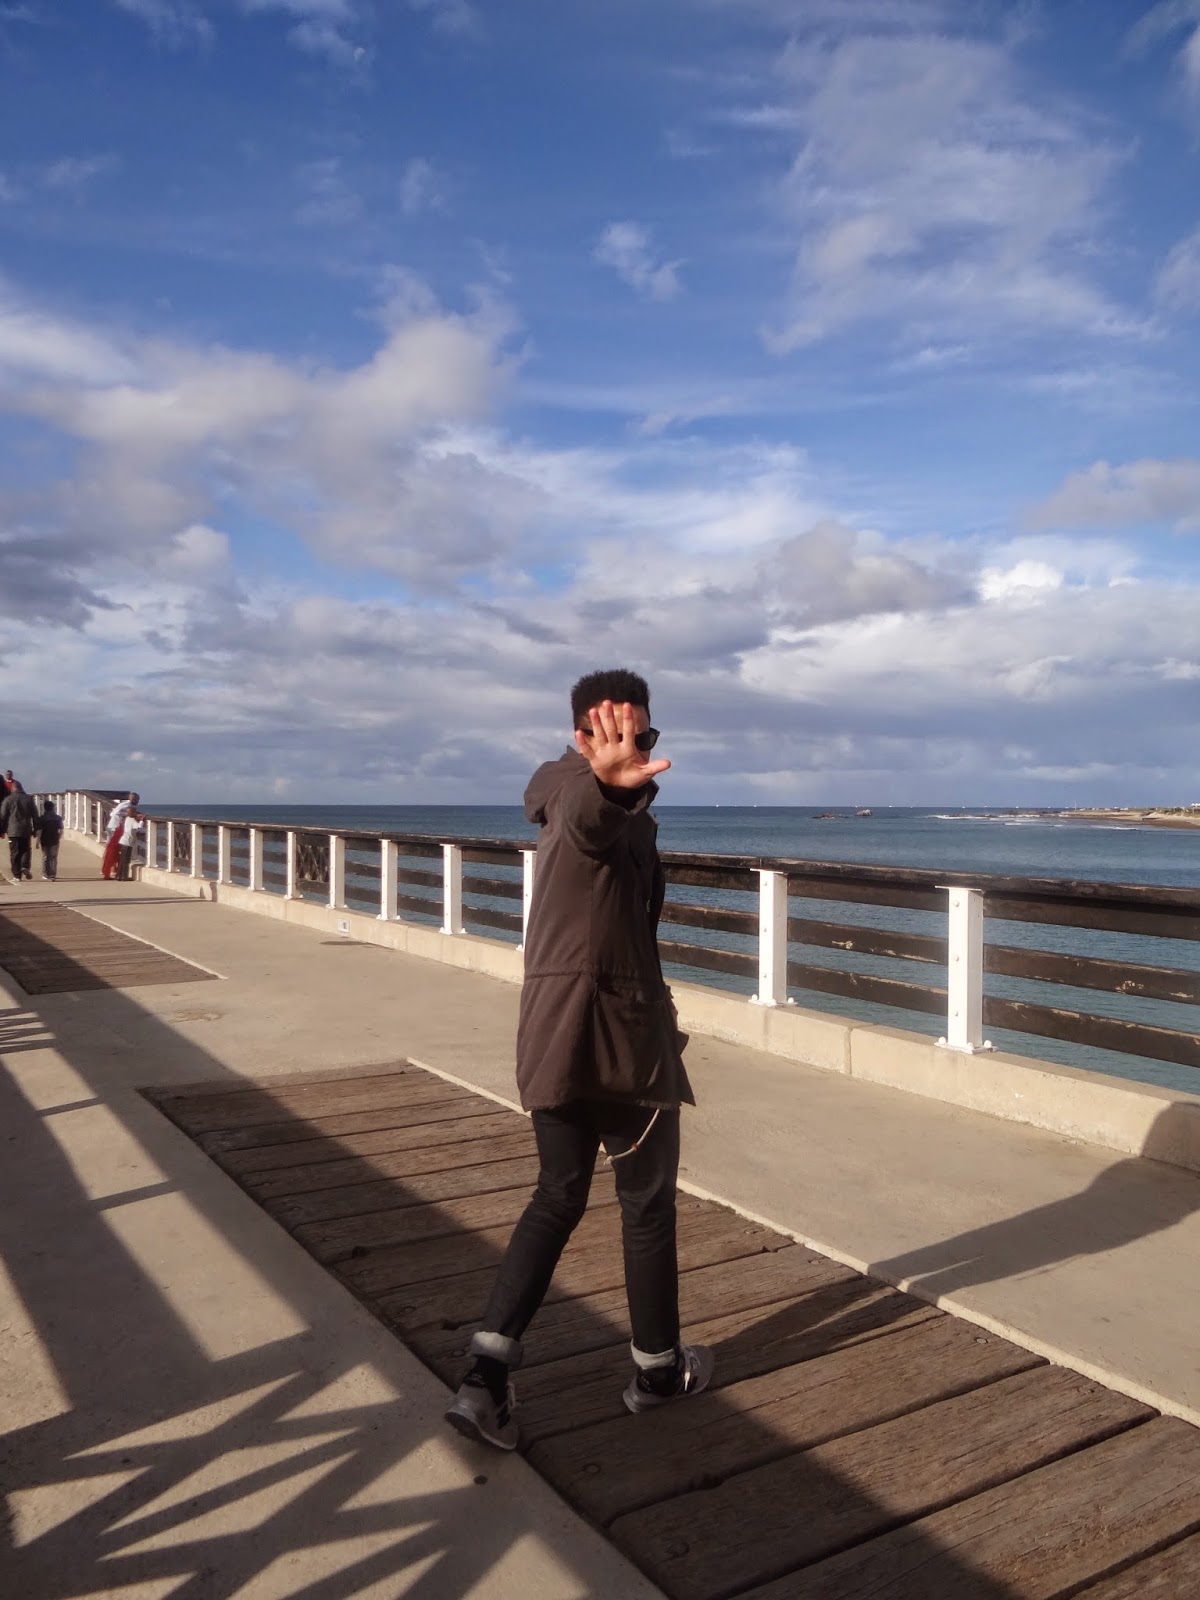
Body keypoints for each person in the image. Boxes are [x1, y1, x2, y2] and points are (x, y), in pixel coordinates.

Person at [444, 668, 713, 1451]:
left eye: (643, 735)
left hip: (555, 1037)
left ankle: (485, 1377)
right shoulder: (582, 802)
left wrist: (617, 793)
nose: (633, 748)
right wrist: (613, 790)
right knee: (646, 1204)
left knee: (557, 1196)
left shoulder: (561, 799)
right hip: (618, 1045)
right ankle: (658, 1373)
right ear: (583, 740)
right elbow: (588, 823)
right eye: (615, 735)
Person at [0, 781, 40, 882]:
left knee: (15, 852)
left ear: (12, 788)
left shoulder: (8, 800)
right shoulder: (29, 799)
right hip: (26, 829)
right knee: (26, 849)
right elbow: (35, 815)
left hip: (12, 830)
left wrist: (2, 831)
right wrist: (36, 829)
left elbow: (3, 816)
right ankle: (25, 866)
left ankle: (16, 875)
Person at [102, 791, 140, 880]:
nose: (138, 802)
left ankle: (112, 871)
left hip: (112, 827)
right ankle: (110, 871)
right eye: (137, 800)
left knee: (111, 849)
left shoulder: (124, 804)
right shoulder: (127, 805)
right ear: (133, 799)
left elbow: (112, 813)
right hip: (115, 828)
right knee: (113, 850)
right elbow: (115, 813)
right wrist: (127, 815)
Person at [35, 799, 64, 882]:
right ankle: (52, 875)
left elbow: (39, 831)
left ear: (44, 808)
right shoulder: (58, 818)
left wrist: (37, 841)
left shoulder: (41, 819)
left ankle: (45, 874)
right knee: (53, 857)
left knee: (45, 857)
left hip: (44, 840)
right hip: (54, 839)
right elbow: (61, 830)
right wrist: (59, 837)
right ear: (53, 808)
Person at [115, 809, 144, 881]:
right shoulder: (132, 820)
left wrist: (137, 817)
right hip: (127, 842)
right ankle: (124, 876)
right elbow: (139, 827)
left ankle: (119, 875)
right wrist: (141, 820)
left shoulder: (127, 819)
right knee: (126, 860)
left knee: (122, 860)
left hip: (123, 841)